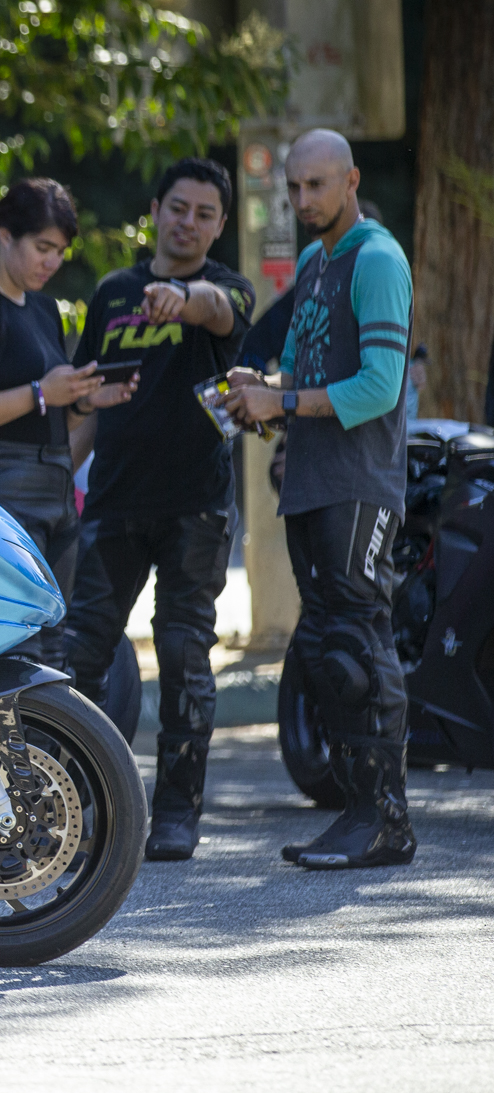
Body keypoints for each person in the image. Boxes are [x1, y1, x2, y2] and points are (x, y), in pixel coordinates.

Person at [224, 129, 415, 871]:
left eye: (317, 186)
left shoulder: (377, 257)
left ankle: (385, 819)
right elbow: (300, 379)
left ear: (351, 180)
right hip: (307, 484)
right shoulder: (312, 261)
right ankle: (353, 814)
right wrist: (259, 407)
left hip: (360, 485)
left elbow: (379, 387)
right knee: (327, 652)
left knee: (358, 645)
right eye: (294, 188)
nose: (303, 200)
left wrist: (284, 397)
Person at [62, 158, 255, 860]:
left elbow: (219, 310)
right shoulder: (113, 292)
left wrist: (187, 296)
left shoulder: (227, 290)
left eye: (205, 214)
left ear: (221, 225)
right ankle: (76, 802)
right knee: (77, 657)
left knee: (182, 653)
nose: (189, 221)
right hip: (112, 505)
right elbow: (88, 401)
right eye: (179, 207)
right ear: (154, 209)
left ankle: (176, 813)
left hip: (195, 509)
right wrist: (63, 479)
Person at [0, 178, 133, 664]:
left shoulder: (43, 308)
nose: (52, 262)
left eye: (60, 251)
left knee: (53, 648)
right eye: (42, 247)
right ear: (4, 234)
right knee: (14, 648)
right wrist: (42, 393)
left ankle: (47, 742)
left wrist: (84, 401)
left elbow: (44, 412)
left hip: (55, 490)